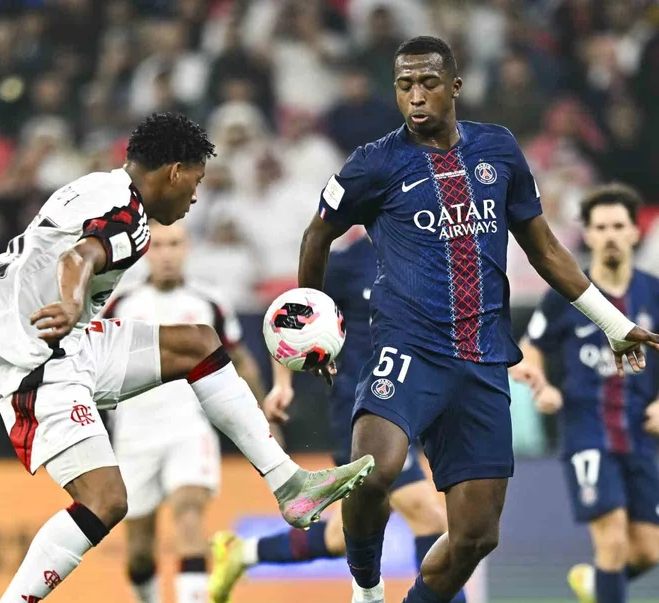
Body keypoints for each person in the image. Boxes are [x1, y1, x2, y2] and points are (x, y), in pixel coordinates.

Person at [295, 36, 659, 603]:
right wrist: (311, 320)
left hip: (484, 358)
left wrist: (612, 324)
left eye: (428, 83)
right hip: (408, 349)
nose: (416, 96)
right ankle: (366, 589)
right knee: (371, 471)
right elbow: (317, 235)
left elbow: (545, 249)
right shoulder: (372, 163)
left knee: (475, 537)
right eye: (404, 86)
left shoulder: (499, 149)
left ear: (455, 86)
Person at [0, 112, 375, 603]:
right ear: (174, 172)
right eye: (196, 181)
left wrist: (73, 309)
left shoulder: (99, 185)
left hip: (69, 340)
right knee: (105, 501)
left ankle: (289, 484)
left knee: (199, 343)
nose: (195, 196)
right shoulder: (132, 219)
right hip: (37, 358)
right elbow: (78, 258)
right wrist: (73, 302)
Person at [208, 227, 466, 603]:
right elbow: (289, 315)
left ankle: (244, 552)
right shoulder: (347, 263)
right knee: (426, 514)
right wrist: (283, 383)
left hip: (407, 404)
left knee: (349, 531)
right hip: (363, 410)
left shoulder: (425, 258)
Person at [104, 220, 267, 603]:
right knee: (139, 552)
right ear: (146, 251)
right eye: (158, 245)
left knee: (189, 516)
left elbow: (239, 360)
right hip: (133, 433)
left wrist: (264, 417)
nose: (167, 254)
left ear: (187, 248)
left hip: (188, 427)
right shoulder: (119, 303)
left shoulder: (209, 301)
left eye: (174, 244)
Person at [512, 183, 659, 603]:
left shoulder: (653, 293)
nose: (610, 235)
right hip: (587, 432)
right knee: (612, 541)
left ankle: (595, 585)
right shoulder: (567, 293)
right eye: (601, 227)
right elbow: (530, 349)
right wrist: (541, 385)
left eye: (618, 226)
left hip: (639, 435)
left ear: (634, 233)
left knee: (648, 551)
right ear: (588, 235)